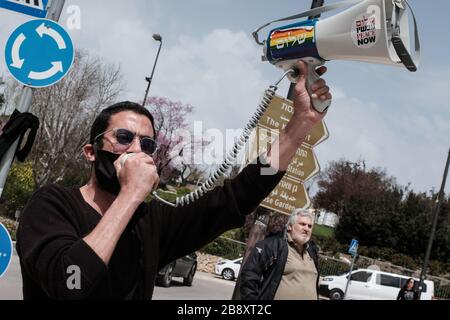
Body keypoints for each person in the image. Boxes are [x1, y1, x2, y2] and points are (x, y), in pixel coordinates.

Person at [16, 61, 331, 300]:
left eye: (148, 144)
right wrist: (129, 197)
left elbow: (239, 195)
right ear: (91, 152)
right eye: (124, 137)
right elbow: (70, 283)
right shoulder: (51, 204)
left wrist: (300, 125)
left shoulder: (152, 222)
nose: (138, 149)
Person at [239, 209, 320, 300]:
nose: (306, 229)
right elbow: (249, 275)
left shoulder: (312, 253)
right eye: (302, 224)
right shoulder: (273, 245)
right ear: (290, 226)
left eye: (309, 226)